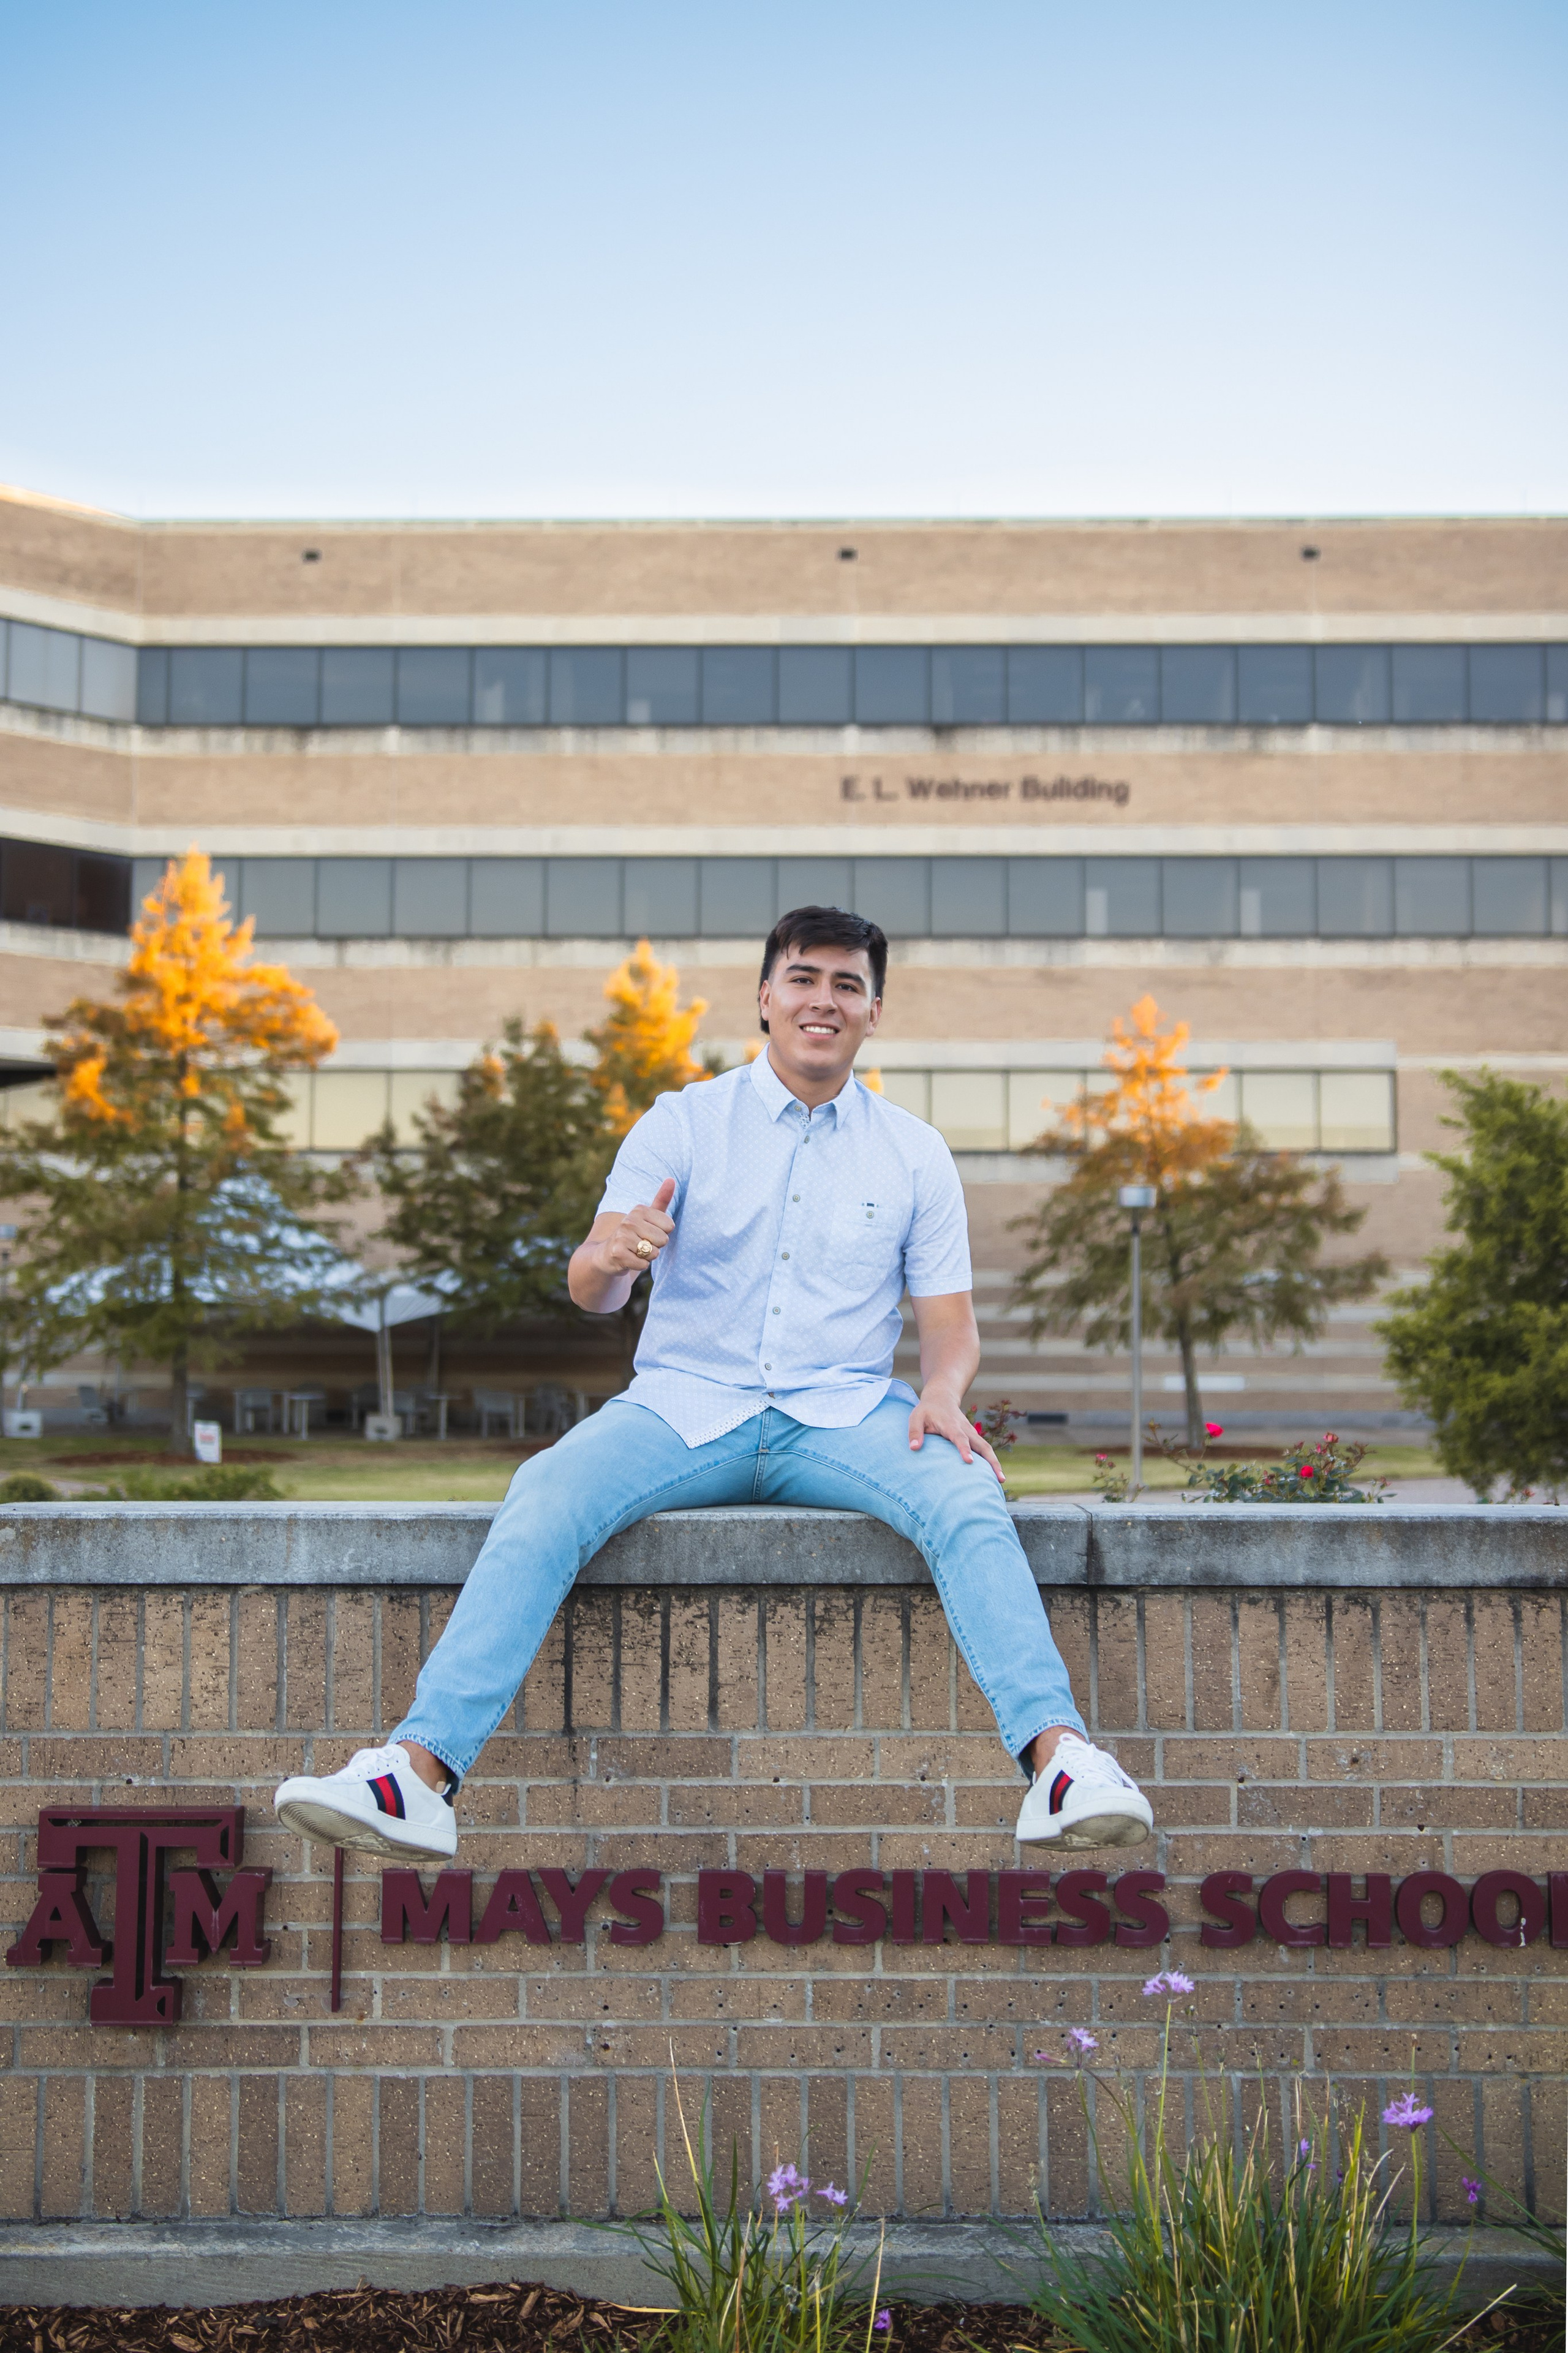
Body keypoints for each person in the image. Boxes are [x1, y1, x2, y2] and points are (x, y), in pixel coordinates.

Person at [274, 906, 1153, 1862]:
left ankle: (1060, 1764)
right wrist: (610, 1255)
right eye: (806, 978)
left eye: (847, 985)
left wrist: (943, 1391)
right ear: (766, 997)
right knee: (545, 1493)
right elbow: (593, 1288)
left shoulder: (914, 1153)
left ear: (874, 1012)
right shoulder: (681, 1122)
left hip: (845, 1414)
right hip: (684, 1407)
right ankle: (417, 1776)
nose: (825, 999)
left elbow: (949, 1325)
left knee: (970, 1496)